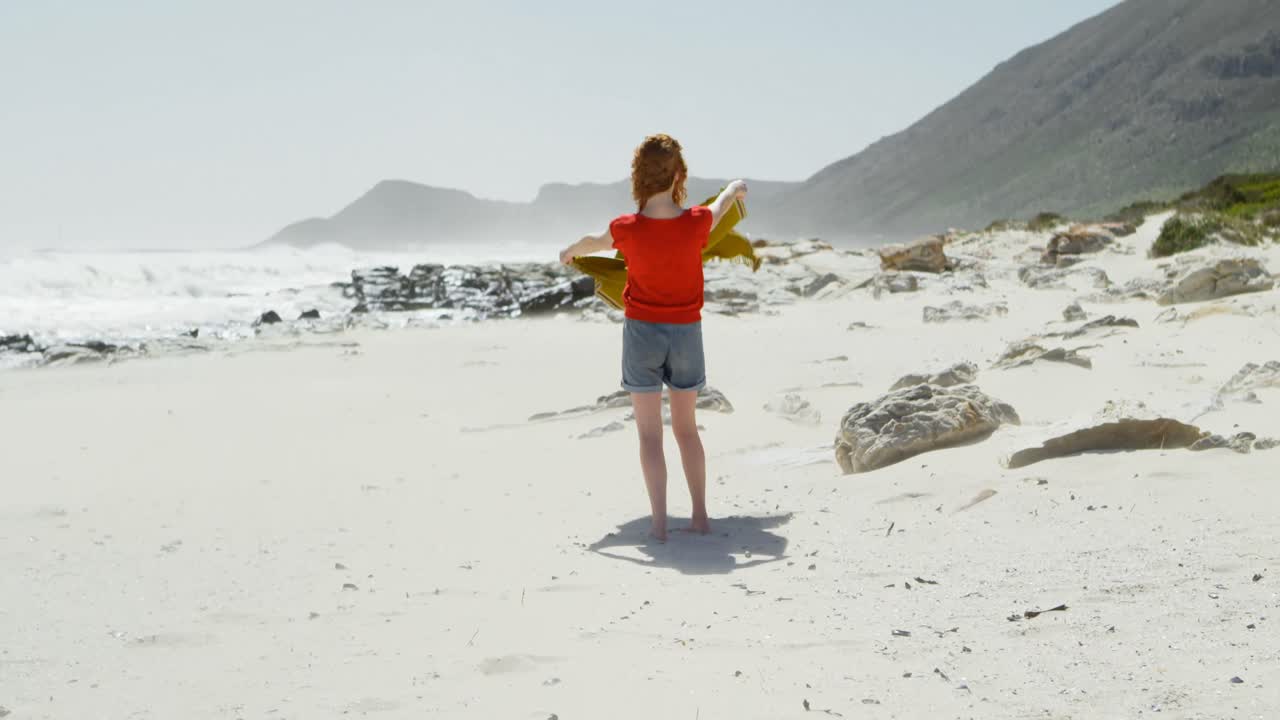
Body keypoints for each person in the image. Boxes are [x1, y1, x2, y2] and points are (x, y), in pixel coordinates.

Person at [559, 134, 748, 541]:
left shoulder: (626, 229)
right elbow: (719, 206)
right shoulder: (696, 223)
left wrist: (571, 251)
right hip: (686, 335)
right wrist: (734, 188)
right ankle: (699, 517)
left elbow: (593, 243)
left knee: (649, 434)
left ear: (638, 177)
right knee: (686, 429)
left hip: (642, 333)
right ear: (679, 174)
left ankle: (659, 525)